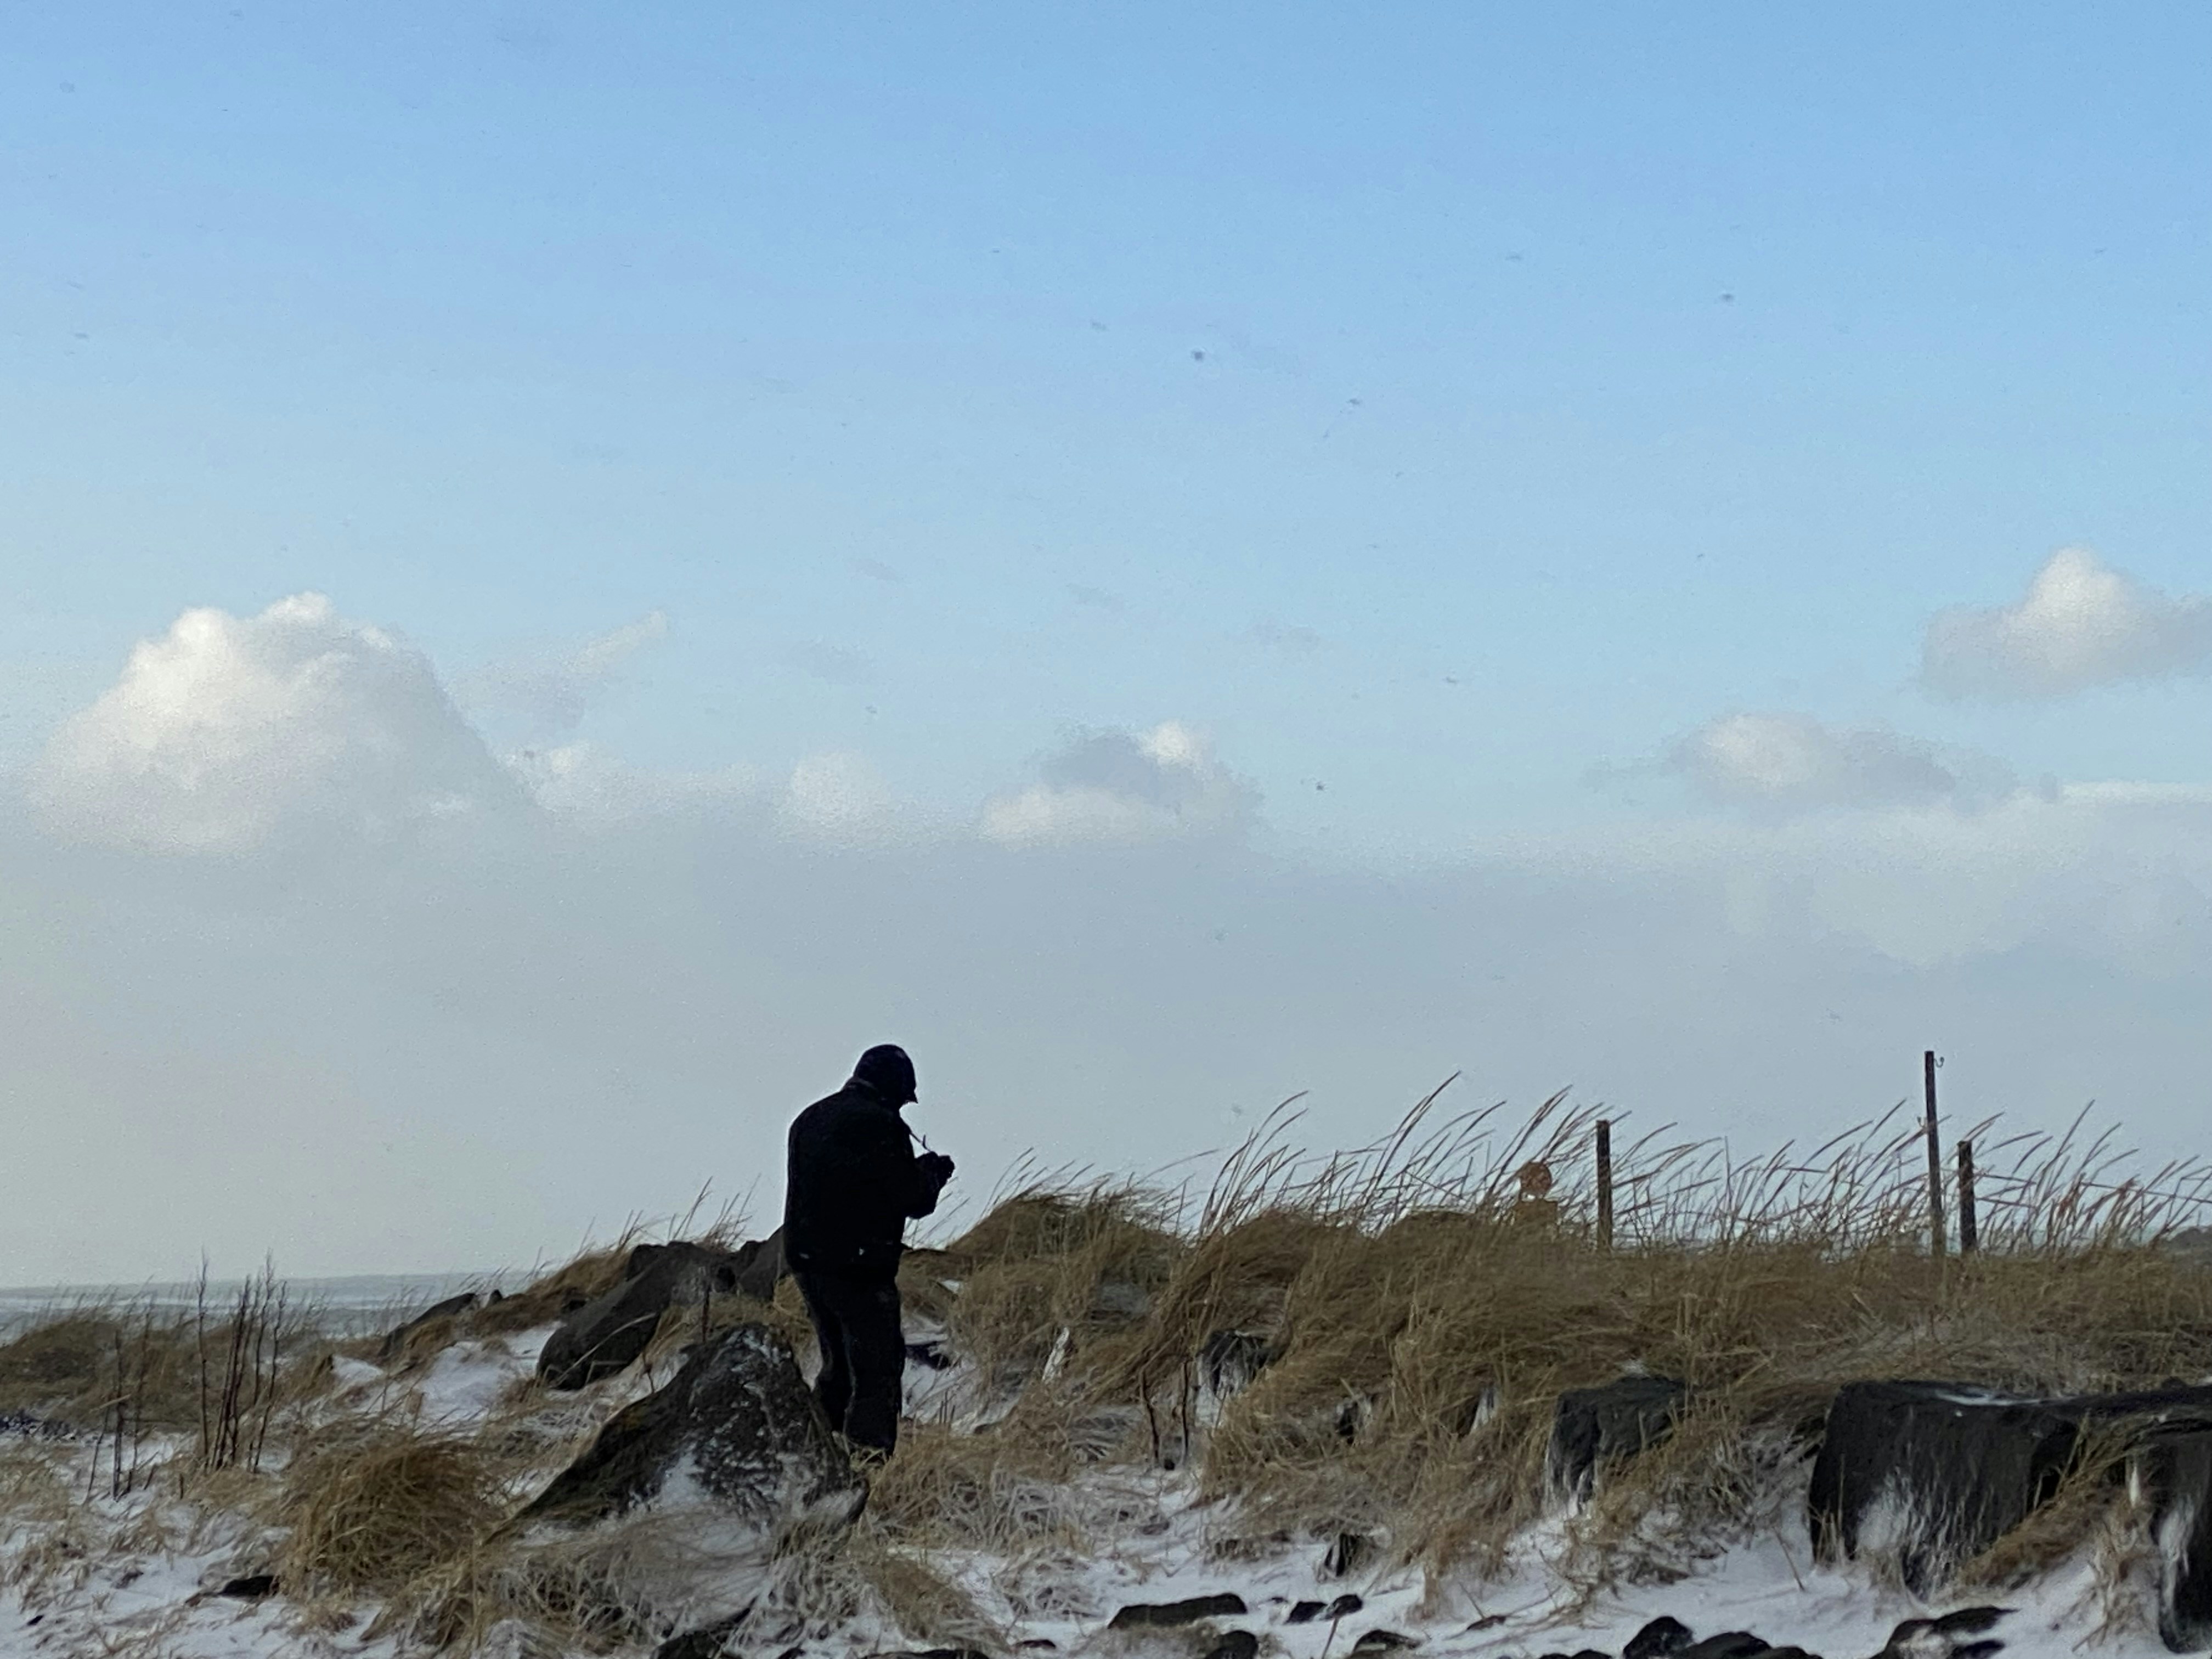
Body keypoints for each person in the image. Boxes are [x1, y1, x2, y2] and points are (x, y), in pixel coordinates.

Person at [782, 1043, 954, 1460]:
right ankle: (867, 1464)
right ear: (895, 1089)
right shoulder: (880, 1126)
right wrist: (932, 1175)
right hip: (858, 1268)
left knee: (837, 1369)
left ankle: (813, 1457)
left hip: (807, 1263)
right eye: (903, 1097)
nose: (903, 1107)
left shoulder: (810, 1118)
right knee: (876, 1373)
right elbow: (910, 1199)